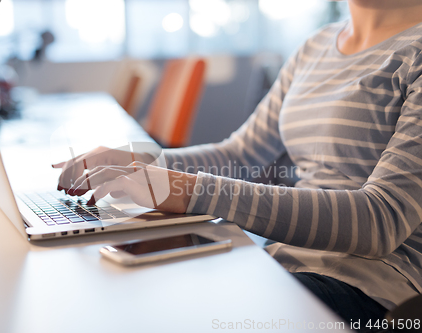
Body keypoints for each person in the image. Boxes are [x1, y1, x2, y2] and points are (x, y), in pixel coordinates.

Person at [53, 0, 422, 330]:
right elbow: (239, 155)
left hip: (370, 291)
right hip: (279, 256)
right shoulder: (317, 45)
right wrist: (137, 162)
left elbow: (382, 219)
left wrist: (189, 190)